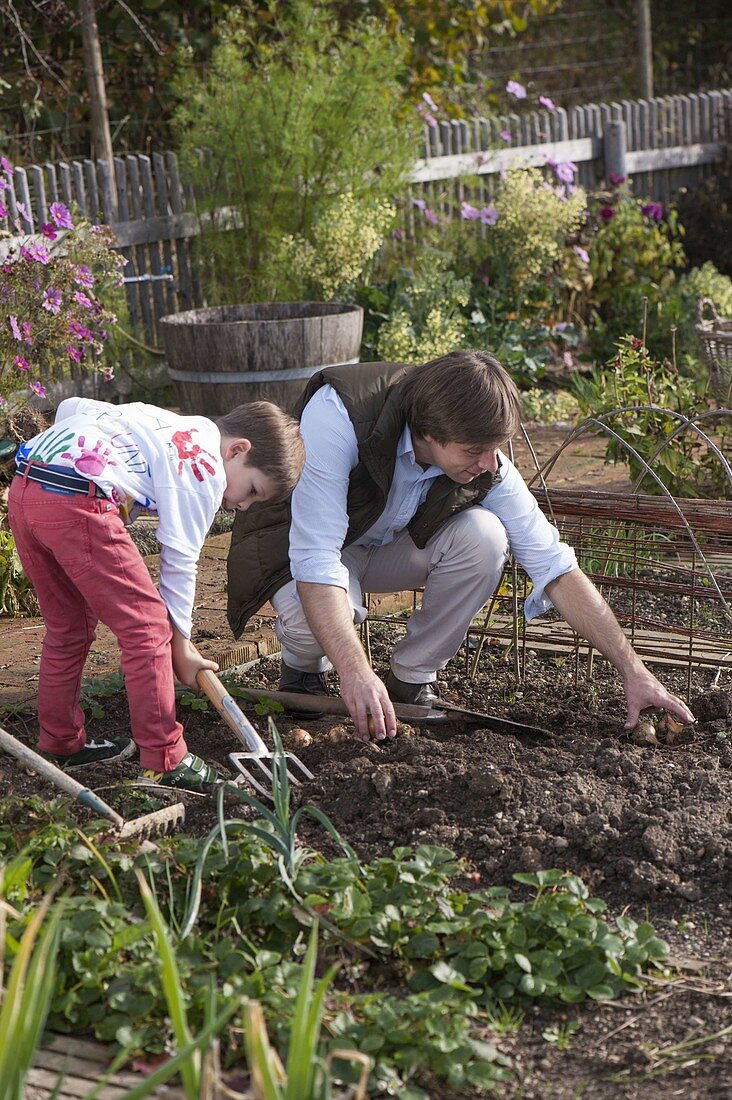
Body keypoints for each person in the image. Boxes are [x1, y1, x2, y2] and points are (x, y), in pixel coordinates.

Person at [227, 350, 695, 741]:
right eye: (475, 451)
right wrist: (354, 669)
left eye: (496, 448)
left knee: (485, 537)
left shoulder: (484, 463)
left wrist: (634, 670)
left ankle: (411, 678)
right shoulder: (340, 414)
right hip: (304, 549)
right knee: (320, 622)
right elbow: (316, 557)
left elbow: (555, 565)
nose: (490, 464)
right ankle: (304, 668)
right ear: (429, 433)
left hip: (383, 545)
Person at [8, 396, 304, 791]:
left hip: (26, 486)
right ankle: (165, 757)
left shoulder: (165, 423)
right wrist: (180, 647)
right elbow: (180, 563)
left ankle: (59, 742)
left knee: (69, 626)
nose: (242, 506)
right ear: (237, 449)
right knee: (147, 628)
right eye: (251, 490)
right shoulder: (206, 468)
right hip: (78, 498)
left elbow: (71, 406)